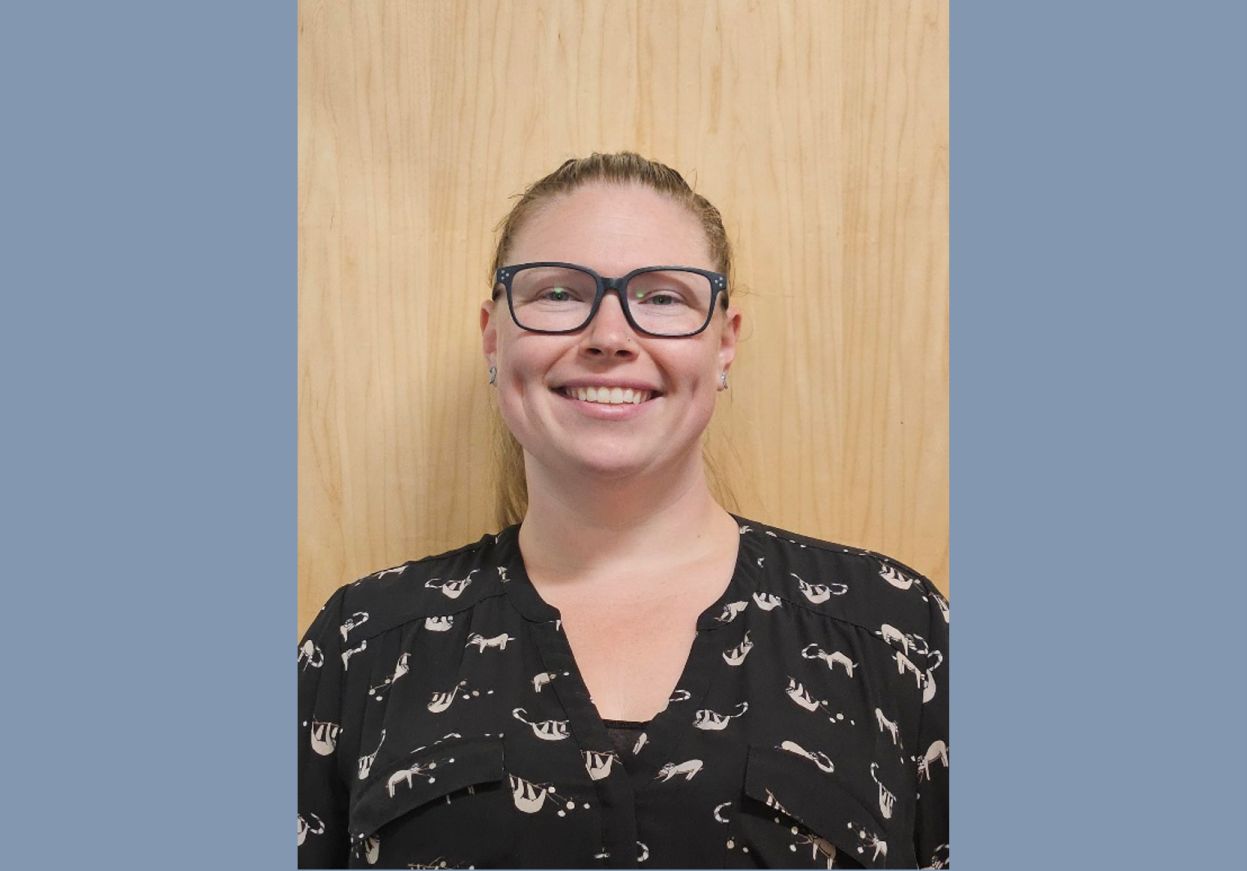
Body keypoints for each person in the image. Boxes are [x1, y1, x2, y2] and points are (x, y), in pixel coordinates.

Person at [298, 152, 949, 869]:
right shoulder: (363, 645)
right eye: (557, 293)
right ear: (493, 336)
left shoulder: (893, 631)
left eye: (663, 298)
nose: (609, 334)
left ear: (724, 342)